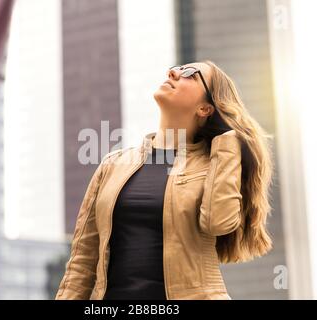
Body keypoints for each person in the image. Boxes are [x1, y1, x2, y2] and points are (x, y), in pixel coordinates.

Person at [55, 60, 274, 300]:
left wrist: (229, 143)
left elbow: (218, 222)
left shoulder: (215, 165)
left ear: (205, 108)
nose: (173, 72)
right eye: (177, 68)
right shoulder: (113, 165)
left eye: (190, 73)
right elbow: (82, 263)